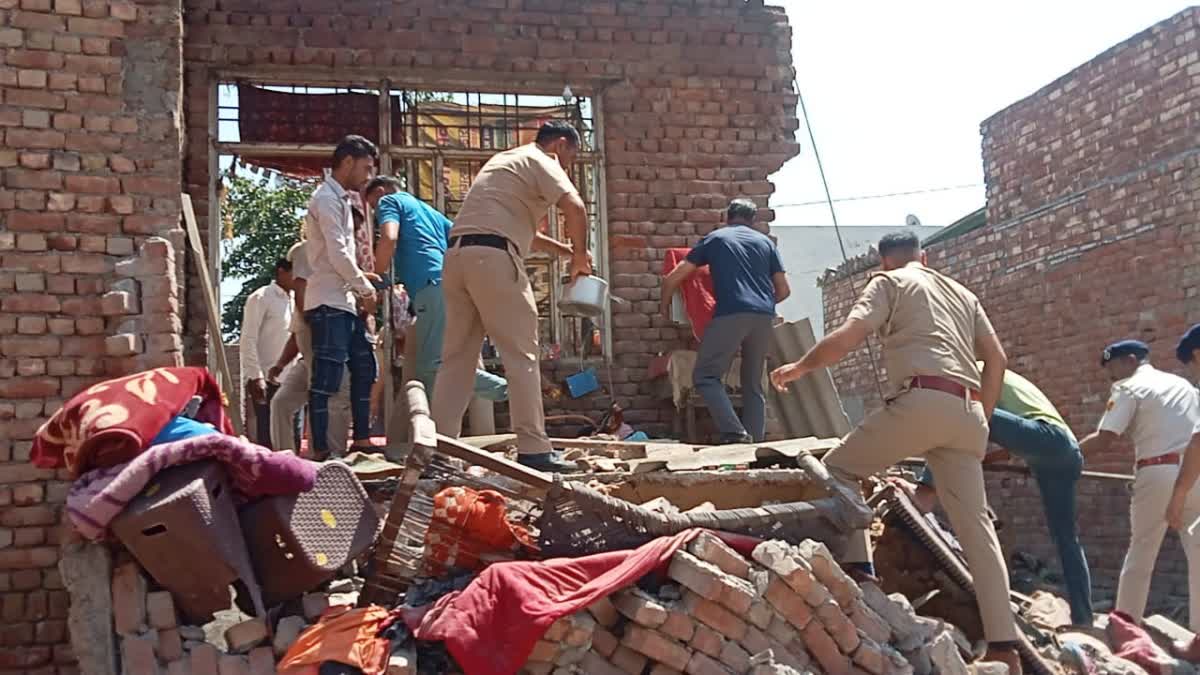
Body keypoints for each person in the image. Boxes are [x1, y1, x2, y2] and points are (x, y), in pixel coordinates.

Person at [769, 230, 1022, 673]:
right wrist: (981, 413)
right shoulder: (963, 293)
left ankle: (859, 575)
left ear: (884, 261)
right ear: (924, 256)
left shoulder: (888, 283)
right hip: (967, 412)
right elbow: (997, 358)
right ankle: (1004, 647)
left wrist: (799, 367)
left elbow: (850, 334)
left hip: (921, 398)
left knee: (837, 472)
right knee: (977, 529)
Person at [430, 120, 591, 473]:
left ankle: (438, 452)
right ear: (561, 145)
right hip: (494, 259)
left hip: (457, 259)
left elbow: (523, 233)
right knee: (521, 354)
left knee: (456, 360)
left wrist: (566, 250)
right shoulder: (543, 159)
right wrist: (581, 255)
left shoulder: (504, 161)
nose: (568, 167)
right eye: (571, 158)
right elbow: (575, 207)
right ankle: (534, 449)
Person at [905, 365, 1093, 626]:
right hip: (1064, 453)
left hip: (1046, 439)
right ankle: (1084, 619)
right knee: (1066, 540)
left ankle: (924, 495)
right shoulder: (1007, 381)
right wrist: (974, 460)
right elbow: (1003, 447)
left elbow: (970, 419)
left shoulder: (976, 370)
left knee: (957, 412)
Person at [1079, 340, 1200, 658]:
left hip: (1157, 471)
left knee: (1142, 549)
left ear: (1130, 361)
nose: (1112, 381)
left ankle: (1125, 625)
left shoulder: (1129, 387)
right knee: (1198, 552)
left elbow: (1107, 438)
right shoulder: (1183, 385)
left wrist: (1067, 454)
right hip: (1195, 471)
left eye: (1112, 372)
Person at [364, 176, 509, 403]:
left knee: (430, 367)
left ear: (381, 192)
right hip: (451, 287)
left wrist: (377, 273)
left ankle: (507, 390)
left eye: (373, 205)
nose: (375, 211)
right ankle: (436, 428)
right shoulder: (428, 212)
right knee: (435, 366)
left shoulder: (389, 201)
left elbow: (389, 238)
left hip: (431, 287)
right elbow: (461, 240)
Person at [660, 198, 789, 444]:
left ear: (726, 216)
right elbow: (783, 290)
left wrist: (664, 307)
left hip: (731, 312)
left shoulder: (717, 238)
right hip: (764, 317)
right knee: (753, 383)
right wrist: (762, 305)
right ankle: (755, 444)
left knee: (705, 377)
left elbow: (673, 278)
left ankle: (735, 433)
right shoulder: (765, 244)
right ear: (753, 220)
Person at [303, 134, 381, 459]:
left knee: (365, 367)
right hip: (327, 302)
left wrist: (362, 283)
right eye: (365, 168)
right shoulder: (325, 199)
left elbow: (343, 255)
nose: (367, 176)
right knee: (327, 378)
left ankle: (361, 440)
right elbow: (336, 253)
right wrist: (365, 287)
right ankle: (320, 450)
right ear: (347, 162)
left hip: (343, 302)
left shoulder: (343, 201)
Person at [267, 240, 351, 454]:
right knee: (281, 403)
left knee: (325, 400)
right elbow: (297, 336)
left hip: (331, 360)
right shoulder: (301, 304)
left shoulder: (327, 298)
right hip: (307, 361)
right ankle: (284, 457)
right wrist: (280, 364)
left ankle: (326, 459)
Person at [239, 258, 297, 449]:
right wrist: (256, 376)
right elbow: (248, 338)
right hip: (266, 379)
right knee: (269, 437)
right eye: (294, 272)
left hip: (292, 378)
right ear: (281, 271)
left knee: (292, 436)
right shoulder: (261, 297)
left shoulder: (297, 300)